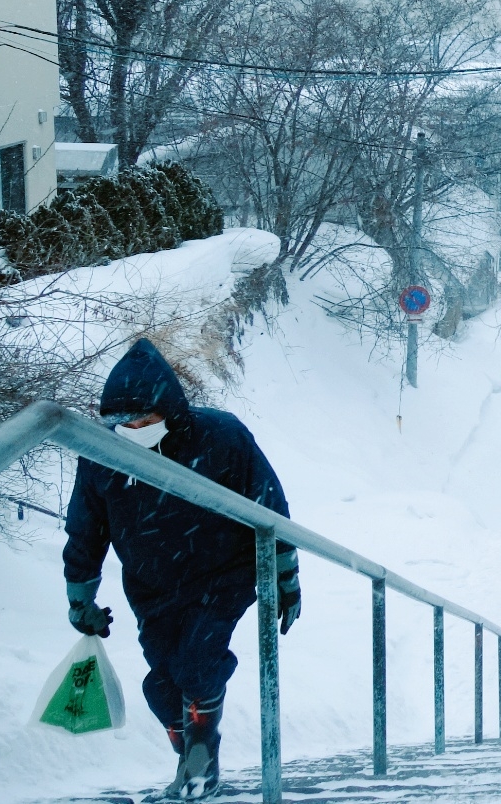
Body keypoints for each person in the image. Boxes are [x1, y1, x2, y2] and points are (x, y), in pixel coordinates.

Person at [63, 339, 300, 800]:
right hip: (152, 586)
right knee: (162, 684)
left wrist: (285, 579)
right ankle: (190, 754)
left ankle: (200, 764)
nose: (136, 427)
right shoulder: (101, 456)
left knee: (198, 662)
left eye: (147, 417)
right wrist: (80, 599)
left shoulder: (220, 436)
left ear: (169, 408)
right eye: (126, 420)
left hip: (223, 574)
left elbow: (270, 506)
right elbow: (85, 531)